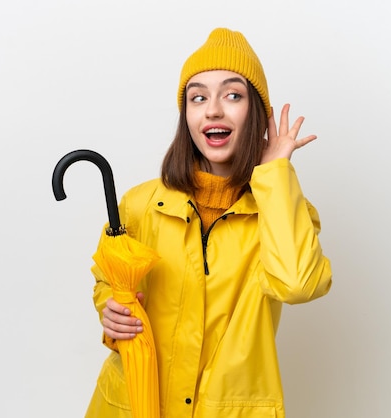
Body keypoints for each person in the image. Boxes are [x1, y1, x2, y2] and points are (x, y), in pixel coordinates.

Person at [85, 27, 332, 418]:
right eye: (198, 97)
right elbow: (107, 279)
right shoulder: (140, 204)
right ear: (187, 116)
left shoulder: (283, 210)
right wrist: (110, 309)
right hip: (132, 402)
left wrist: (274, 174)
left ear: (257, 114)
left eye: (233, 95)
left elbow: (299, 284)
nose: (213, 110)